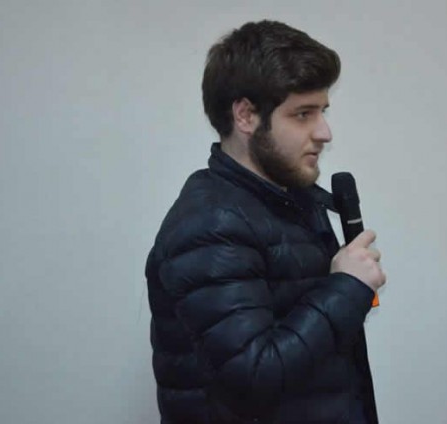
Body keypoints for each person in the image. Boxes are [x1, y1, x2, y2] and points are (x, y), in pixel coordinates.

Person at [145, 20, 386, 424]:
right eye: (303, 114)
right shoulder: (211, 225)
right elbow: (253, 380)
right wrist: (346, 288)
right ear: (245, 115)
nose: (324, 132)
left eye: (322, 111)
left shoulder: (287, 199)